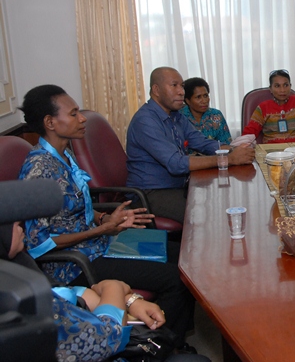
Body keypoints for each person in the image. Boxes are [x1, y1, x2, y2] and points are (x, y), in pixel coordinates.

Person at [18, 85, 197, 351]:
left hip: (98, 245)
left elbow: (76, 208)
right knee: (177, 278)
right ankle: (157, 347)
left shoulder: (64, 155)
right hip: (74, 265)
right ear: (50, 122)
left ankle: (172, 338)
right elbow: (39, 245)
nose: (82, 118)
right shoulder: (39, 170)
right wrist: (102, 230)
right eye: (74, 113)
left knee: (184, 257)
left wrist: (104, 219)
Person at [1, 221, 210, 362]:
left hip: (97, 256)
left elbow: (74, 294)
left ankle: (167, 344)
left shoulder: (20, 265)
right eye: (10, 221)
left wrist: (130, 300)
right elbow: (108, 338)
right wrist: (114, 287)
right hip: (105, 342)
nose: (20, 223)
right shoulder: (17, 299)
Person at [127, 67, 255, 223]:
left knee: (222, 200)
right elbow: (176, 163)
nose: (181, 91)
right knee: (207, 216)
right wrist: (229, 159)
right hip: (150, 193)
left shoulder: (176, 116)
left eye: (181, 86)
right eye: (174, 85)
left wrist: (235, 150)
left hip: (178, 185)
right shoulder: (145, 121)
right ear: (156, 90)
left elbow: (202, 142)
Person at [242, 69, 295, 144]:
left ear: (290, 86)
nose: (282, 90)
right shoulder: (263, 107)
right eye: (277, 86)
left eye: (285, 85)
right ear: (271, 89)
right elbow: (249, 133)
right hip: (272, 152)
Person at [180, 77, 232, 145]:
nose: (204, 101)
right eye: (198, 97)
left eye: (205, 96)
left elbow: (227, 143)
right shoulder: (179, 117)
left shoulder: (216, 115)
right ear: (187, 101)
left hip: (216, 151)